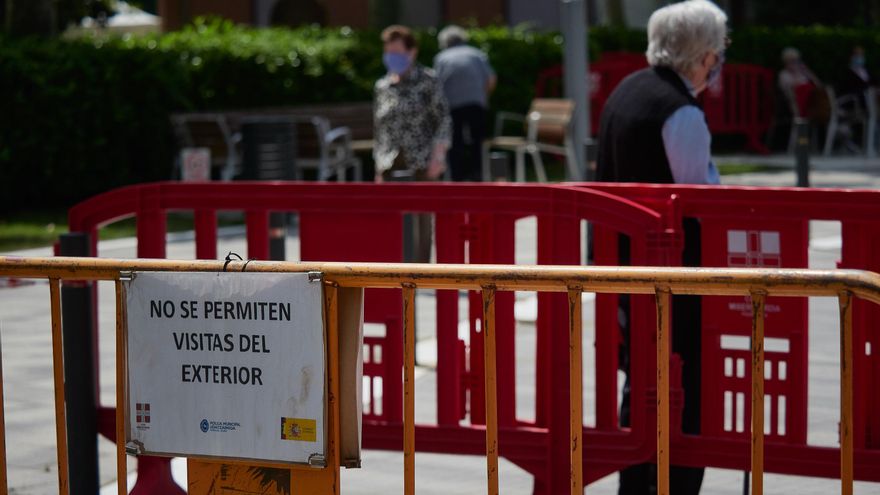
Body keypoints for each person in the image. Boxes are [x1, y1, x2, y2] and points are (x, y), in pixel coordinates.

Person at [595, 1, 728, 493]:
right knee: (683, 390)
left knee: (642, 385)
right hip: (674, 277)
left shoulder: (627, 90)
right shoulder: (681, 111)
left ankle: (637, 481)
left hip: (625, 269)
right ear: (705, 55)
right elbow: (699, 201)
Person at [373, 25, 451, 262]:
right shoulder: (383, 86)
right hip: (390, 161)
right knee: (391, 219)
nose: (392, 57)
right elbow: (379, 129)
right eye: (388, 51)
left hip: (422, 159)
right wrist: (377, 166)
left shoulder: (427, 80)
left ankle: (420, 270)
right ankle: (392, 270)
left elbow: (443, 119)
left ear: (412, 52)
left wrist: (438, 157)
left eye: (397, 51)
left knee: (421, 220)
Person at [433, 25, 497, 182]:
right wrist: (483, 96)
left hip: (452, 106)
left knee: (455, 144)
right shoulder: (476, 54)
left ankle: (457, 179)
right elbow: (491, 79)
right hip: (476, 104)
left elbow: (436, 85)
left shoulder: (441, 57)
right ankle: (479, 176)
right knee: (478, 142)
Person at [777, 47, 822, 118]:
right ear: (785, 62)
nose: (794, 63)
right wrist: (796, 74)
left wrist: (808, 72)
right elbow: (790, 89)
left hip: (811, 100)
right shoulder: (784, 74)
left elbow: (818, 84)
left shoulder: (802, 73)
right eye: (791, 61)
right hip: (796, 102)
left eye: (796, 60)